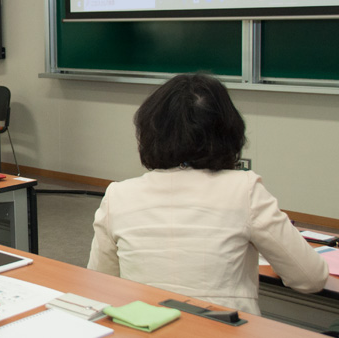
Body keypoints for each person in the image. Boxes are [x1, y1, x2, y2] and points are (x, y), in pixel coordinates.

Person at [87, 73, 328, 315]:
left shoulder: (118, 195)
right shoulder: (245, 190)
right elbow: (310, 278)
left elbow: (101, 287)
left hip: (145, 328)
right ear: (229, 131)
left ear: (149, 133)